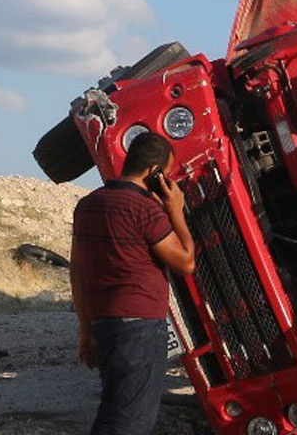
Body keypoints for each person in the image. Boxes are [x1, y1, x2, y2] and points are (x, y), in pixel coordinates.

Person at [70, 132, 196, 434]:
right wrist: (175, 211)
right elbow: (186, 262)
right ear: (155, 172)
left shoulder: (86, 206)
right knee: (129, 424)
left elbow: (77, 272)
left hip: (105, 324)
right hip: (139, 330)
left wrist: (86, 330)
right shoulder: (145, 210)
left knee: (115, 411)